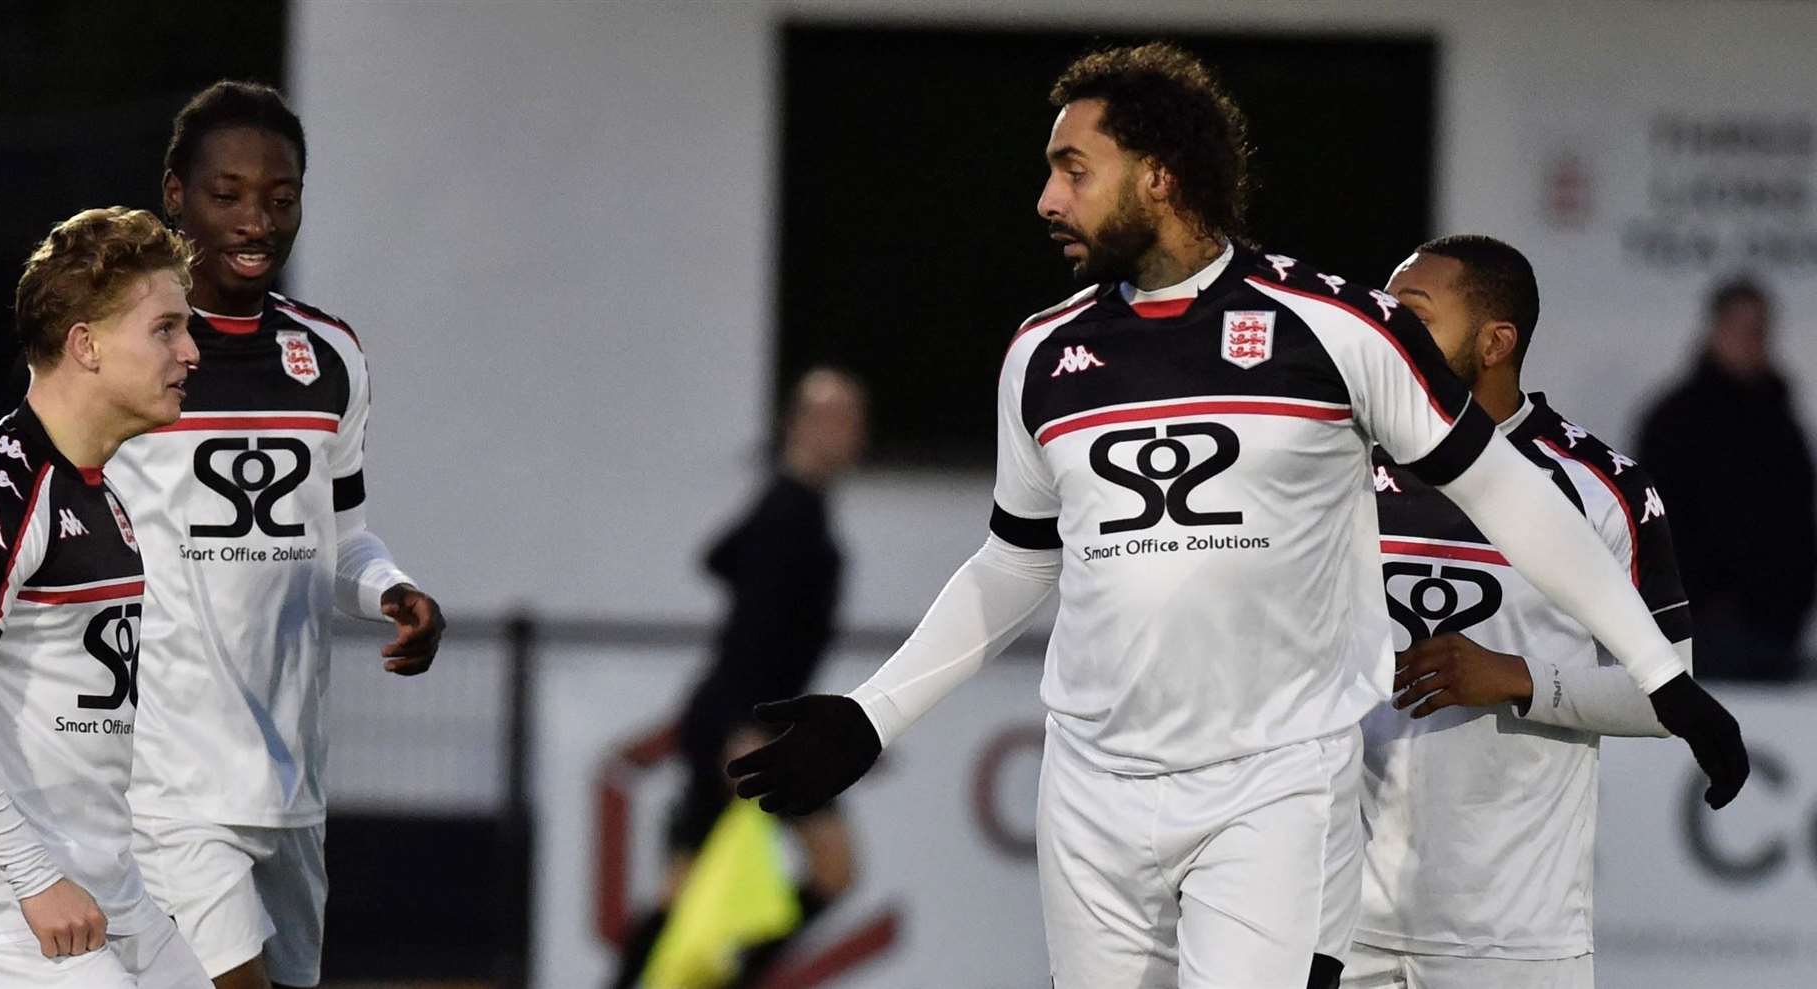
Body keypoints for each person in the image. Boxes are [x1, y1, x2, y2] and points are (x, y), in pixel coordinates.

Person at [726, 43, 1748, 989]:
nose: (1047, 196)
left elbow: (1511, 494)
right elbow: (1014, 561)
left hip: (1274, 783)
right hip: (1088, 787)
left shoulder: (1337, 326)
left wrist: (1664, 676)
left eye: (1075, 167)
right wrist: (875, 708)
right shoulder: (1042, 352)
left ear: (1161, 172)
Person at [104, 82, 446, 989]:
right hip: (165, 781)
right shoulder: (122, 354)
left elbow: (342, 541)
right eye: (229, 195)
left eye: (280, 196)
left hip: (291, 786)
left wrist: (392, 593)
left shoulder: (330, 356)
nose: (256, 219)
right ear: (176, 194)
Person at [1326, 235, 1693, 988]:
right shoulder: (1336, 463)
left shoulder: (1604, 487)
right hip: (1333, 924)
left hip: (1513, 939)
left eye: (1414, 314)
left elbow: (1670, 695)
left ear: (1497, 342)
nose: (1387, 330)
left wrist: (1518, 678)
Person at [0, 207, 208, 987]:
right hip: (6, 914)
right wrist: (34, 875)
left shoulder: (103, 493)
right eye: (166, 329)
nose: (190, 351)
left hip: (111, 896)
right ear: (86, 344)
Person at [607, 368, 868, 989]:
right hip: (745, 725)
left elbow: (718, 557)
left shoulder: (793, 504)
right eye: (831, 416)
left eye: (854, 418)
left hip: (746, 720)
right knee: (829, 867)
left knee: (688, 887)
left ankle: (714, 974)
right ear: (796, 426)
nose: (847, 431)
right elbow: (754, 631)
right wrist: (741, 728)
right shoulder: (789, 513)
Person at [1636, 278, 1814, 681]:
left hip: (1775, 629)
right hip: (1698, 629)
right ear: (1716, 329)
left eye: (1759, 329)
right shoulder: (1674, 421)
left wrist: (1792, 604)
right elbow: (1654, 525)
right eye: (1742, 328)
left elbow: (1799, 522)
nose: (1752, 340)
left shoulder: (1783, 424)